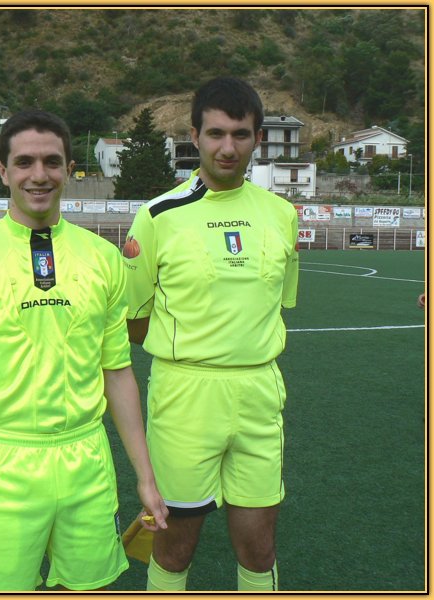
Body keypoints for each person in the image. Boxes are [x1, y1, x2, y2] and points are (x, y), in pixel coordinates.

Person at [0, 109, 168, 591]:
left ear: (69, 169)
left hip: (86, 459)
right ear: (3, 171)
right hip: (1, 463)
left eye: (52, 162)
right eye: (24, 162)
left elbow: (117, 373)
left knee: (88, 587)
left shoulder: (103, 258)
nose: (39, 175)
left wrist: (145, 476)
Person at [122, 76, 299, 591]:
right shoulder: (158, 216)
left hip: (259, 392)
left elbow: (278, 304)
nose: (228, 147)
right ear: (194, 136)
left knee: (259, 549)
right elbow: (134, 320)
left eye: (240, 135)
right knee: (174, 548)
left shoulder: (282, 215)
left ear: (258, 138)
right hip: (185, 395)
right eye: (216, 133)